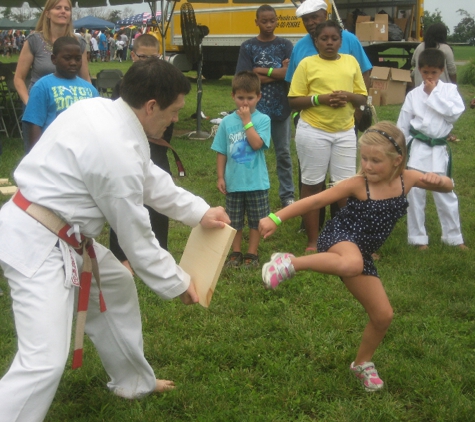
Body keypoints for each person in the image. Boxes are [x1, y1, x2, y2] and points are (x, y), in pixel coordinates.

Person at [0, 58, 230, 422]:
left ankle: (132, 381)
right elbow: (137, 236)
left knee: (116, 285)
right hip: (36, 242)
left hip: (61, 235)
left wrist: (198, 211)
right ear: (151, 106)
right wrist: (178, 282)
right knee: (43, 360)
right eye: (174, 112)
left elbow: (148, 177)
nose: (175, 120)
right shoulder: (114, 148)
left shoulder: (102, 111)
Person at [259, 122, 455, 392]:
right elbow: (315, 201)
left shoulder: (406, 178)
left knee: (383, 315)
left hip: (361, 252)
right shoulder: (357, 184)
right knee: (351, 263)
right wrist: (275, 217)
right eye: (364, 158)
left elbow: (447, 186)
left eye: (376, 160)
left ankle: (362, 363)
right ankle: (289, 262)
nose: (368, 166)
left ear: (397, 161)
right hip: (341, 237)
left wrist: (440, 180)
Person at [288, 21, 367, 252]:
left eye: (334, 38)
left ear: (341, 41)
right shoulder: (306, 64)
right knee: (312, 184)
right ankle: (313, 241)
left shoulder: (351, 62)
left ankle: (343, 238)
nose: (329, 42)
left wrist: (348, 96)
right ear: (316, 41)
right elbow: (293, 100)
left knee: (345, 187)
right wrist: (320, 99)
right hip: (313, 130)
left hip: (344, 132)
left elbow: (363, 98)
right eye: (324, 38)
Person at [109, 34, 169, 275]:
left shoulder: (165, 87)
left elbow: (166, 126)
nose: (147, 61)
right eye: (143, 57)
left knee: (159, 200)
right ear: (133, 56)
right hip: (125, 150)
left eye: (153, 58)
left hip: (156, 149)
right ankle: (120, 256)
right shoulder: (122, 87)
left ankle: (159, 251)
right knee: (125, 199)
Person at [397, 48, 467, 250]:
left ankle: (454, 237)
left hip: (438, 149)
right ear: (419, 70)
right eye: (425, 72)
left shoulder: (449, 91)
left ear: (442, 71)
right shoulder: (413, 95)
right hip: (417, 147)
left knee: (445, 193)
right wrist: (399, 149)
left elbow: (453, 114)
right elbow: (403, 123)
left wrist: (433, 94)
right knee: (415, 194)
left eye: (433, 73)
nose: (429, 77)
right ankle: (418, 238)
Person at [235, 4, 295, 208]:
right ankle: (251, 189)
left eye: (273, 20)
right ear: (256, 22)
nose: (269, 25)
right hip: (254, 111)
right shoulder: (248, 46)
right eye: (264, 21)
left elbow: (290, 74)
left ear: (277, 20)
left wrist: (260, 70)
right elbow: (245, 79)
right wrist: (277, 72)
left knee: (283, 153)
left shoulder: (286, 45)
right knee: (251, 151)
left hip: (281, 109)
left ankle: (287, 194)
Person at [211, 71, 271, 268]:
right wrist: (220, 176)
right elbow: (221, 151)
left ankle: (251, 253)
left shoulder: (263, 120)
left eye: (250, 98)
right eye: (240, 97)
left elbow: (256, 144)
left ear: (259, 97)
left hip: (256, 182)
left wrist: (247, 121)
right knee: (234, 220)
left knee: (256, 221)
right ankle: (236, 252)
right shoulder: (227, 122)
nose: (245, 102)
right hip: (234, 181)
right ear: (233, 96)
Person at [13, 0, 90, 151]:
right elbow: (19, 78)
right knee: (37, 151)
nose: (63, 11)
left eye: (67, 9)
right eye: (58, 8)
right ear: (47, 13)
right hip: (38, 105)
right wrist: (29, 103)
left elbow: (85, 78)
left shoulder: (78, 43)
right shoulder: (34, 40)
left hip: (69, 105)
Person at [22, 36, 99, 149]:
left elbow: (96, 122)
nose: (73, 63)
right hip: (53, 149)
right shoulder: (42, 86)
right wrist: (36, 153)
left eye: (78, 59)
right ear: (54, 59)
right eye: (67, 58)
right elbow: (34, 124)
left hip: (82, 149)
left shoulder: (90, 90)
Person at [411, 23, 457, 88]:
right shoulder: (446, 48)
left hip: (420, 86)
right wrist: (454, 86)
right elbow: (452, 71)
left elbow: (412, 63)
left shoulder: (420, 47)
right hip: (441, 88)